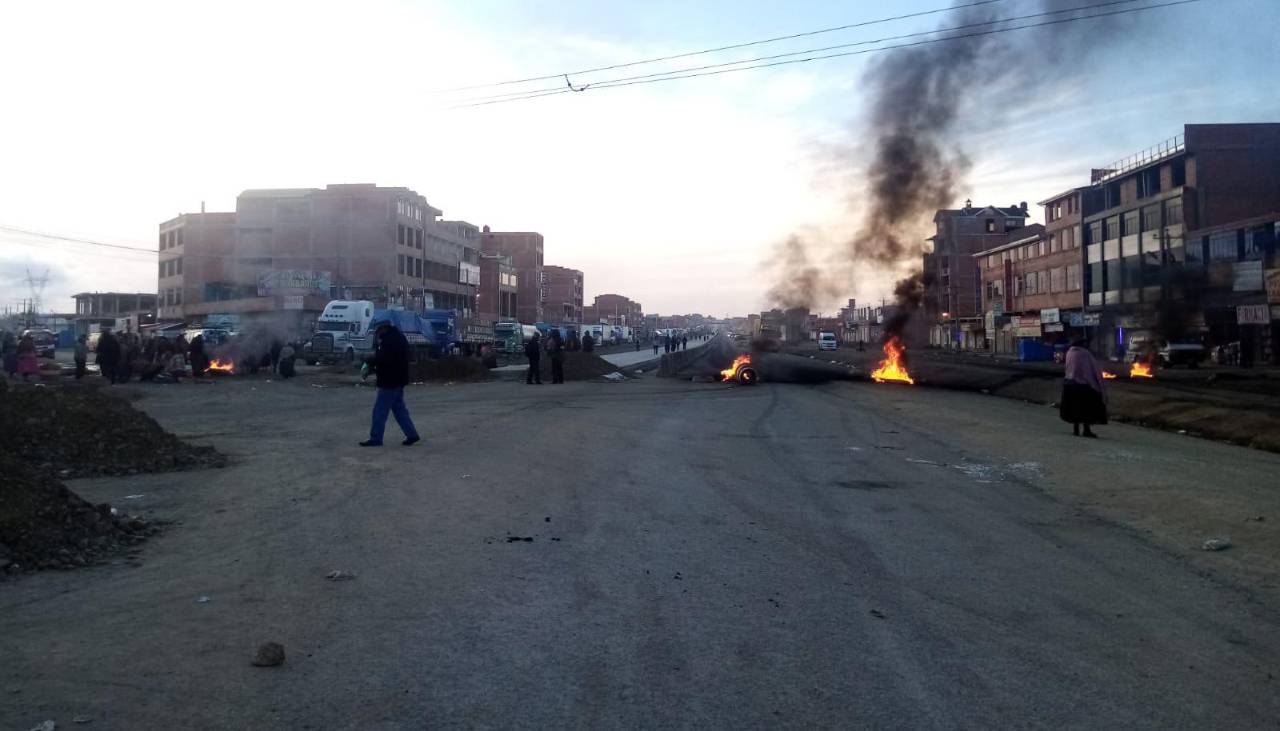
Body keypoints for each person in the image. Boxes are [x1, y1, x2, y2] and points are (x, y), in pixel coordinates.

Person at [360, 320, 420, 447]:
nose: (378, 333)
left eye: (378, 330)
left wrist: (370, 361)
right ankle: (412, 434)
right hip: (398, 379)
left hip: (390, 381)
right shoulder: (398, 337)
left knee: (380, 410)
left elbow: (384, 359)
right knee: (399, 409)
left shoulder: (389, 341)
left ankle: (376, 438)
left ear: (383, 328)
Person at [1059, 339, 1108, 438]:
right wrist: (1097, 386)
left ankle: (1076, 430)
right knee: (1086, 408)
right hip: (1081, 386)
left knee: (1074, 408)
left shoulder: (1069, 352)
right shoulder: (1084, 354)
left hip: (1069, 384)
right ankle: (1086, 430)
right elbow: (1090, 371)